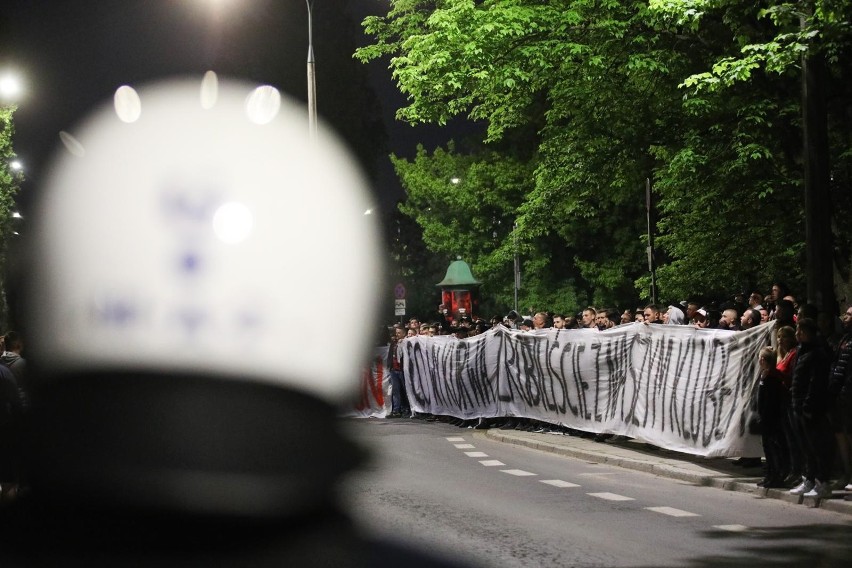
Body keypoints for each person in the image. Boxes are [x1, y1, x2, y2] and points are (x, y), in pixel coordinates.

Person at [788, 318, 835, 498]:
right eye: (798, 331)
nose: (798, 334)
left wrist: (807, 404)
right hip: (798, 404)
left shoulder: (818, 353)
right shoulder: (801, 351)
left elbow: (816, 382)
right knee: (805, 446)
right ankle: (809, 478)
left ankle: (822, 481)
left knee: (817, 445)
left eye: (802, 331)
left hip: (811, 408)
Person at [756, 346, 790, 488]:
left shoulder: (772, 377)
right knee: (768, 448)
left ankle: (776, 475)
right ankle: (770, 474)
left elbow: (770, 400)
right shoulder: (766, 375)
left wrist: (764, 416)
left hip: (771, 418)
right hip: (767, 417)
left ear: (763, 360)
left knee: (772, 447)